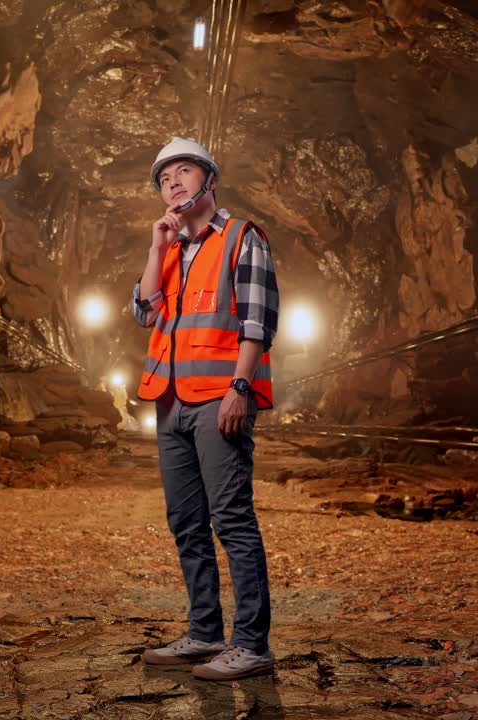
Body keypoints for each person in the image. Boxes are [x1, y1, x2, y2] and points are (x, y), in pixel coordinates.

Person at [132, 137, 280, 681]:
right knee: (186, 523)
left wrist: (239, 387)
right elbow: (145, 314)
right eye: (164, 177)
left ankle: (252, 645)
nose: (173, 181)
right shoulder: (169, 249)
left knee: (232, 519)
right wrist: (155, 246)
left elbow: (257, 321)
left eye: (184, 171)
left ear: (209, 181)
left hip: (220, 398)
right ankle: (203, 633)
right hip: (168, 402)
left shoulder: (242, 236)